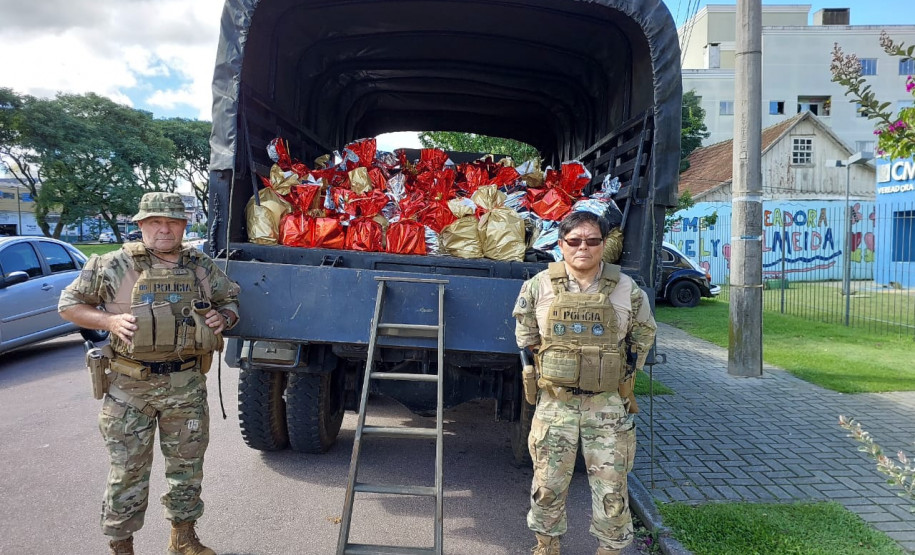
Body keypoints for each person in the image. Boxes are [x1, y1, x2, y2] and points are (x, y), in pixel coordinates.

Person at [59, 192, 240, 555]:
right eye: (155, 222)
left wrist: (226, 317)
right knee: (128, 472)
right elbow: (69, 305)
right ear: (141, 225)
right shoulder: (111, 265)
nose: (164, 229)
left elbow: (230, 300)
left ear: (184, 226)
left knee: (187, 468)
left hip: (185, 385)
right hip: (130, 387)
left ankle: (183, 539)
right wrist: (108, 319)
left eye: (172, 222)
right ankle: (122, 547)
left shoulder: (201, 266)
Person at [513, 211, 656, 555]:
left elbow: (644, 333)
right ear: (561, 245)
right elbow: (525, 335)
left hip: (606, 405)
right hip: (555, 403)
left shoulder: (626, 289)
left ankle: (609, 550)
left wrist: (621, 371)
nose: (583, 248)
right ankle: (546, 547)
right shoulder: (538, 286)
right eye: (574, 241)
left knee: (612, 489)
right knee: (547, 485)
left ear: (603, 245)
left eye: (592, 241)